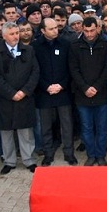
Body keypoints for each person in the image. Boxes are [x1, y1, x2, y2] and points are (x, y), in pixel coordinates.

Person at [0, 22, 40, 174]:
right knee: (6, 131)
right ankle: (9, 161)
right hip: (4, 98)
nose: (16, 36)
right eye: (12, 34)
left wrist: (24, 91)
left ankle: (29, 160)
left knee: (25, 130)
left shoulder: (28, 50)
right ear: (4, 35)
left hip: (24, 97)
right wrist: (11, 93)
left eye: (17, 33)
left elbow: (35, 72)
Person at [32, 18, 76, 166]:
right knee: (46, 126)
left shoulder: (65, 44)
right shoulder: (35, 46)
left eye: (56, 28)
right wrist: (46, 86)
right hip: (44, 93)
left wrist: (61, 85)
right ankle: (48, 153)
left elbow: (71, 68)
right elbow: (34, 71)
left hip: (63, 92)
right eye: (51, 29)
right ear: (43, 31)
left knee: (67, 125)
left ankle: (69, 153)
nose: (55, 30)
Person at [69, 17, 107, 166]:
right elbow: (73, 70)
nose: (89, 34)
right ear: (82, 29)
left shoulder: (106, 45)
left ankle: (101, 155)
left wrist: (97, 87)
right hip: (83, 94)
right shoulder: (75, 46)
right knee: (87, 127)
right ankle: (91, 155)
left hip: (101, 94)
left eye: (92, 30)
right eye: (86, 31)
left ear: (98, 29)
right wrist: (85, 87)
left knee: (102, 127)